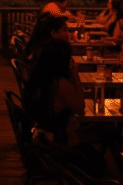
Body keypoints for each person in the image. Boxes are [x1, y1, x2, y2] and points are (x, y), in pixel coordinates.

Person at [23, 15, 85, 144]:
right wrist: (75, 74)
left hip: (43, 135)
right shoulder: (60, 84)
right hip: (59, 143)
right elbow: (80, 109)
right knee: (105, 133)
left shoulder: (41, 74)